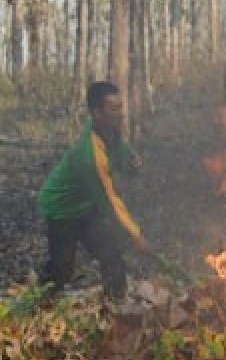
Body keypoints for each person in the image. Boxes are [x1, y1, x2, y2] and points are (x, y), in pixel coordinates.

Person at [37, 81, 150, 301]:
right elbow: (109, 200)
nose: (121, 114)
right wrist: (136, 234)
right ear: (97, 113)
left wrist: (132, 165)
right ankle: (35, 305)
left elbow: (121, 155)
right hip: (62, 208)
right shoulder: (89, 155)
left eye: (121, 107)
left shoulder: (110, 134)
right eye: (114, 109)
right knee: (61, 270)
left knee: (111, 255)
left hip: (86, 205)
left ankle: (117, 308)